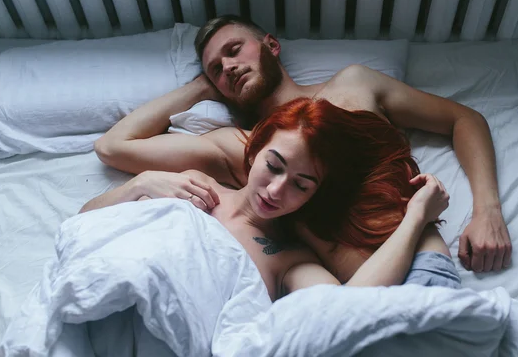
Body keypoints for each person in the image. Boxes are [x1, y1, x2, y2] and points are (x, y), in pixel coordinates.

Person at [94, 14, 511, 273]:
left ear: (271, 45)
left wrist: (487, 211)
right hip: (350, 297)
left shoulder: (355, 86)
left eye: (235, 50)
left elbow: (464, 119)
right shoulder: (238, 146)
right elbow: (114, 146)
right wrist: (199, 89)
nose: (229, 68)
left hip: (422, 260)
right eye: (217, 69)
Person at [82, 98, 457, 300]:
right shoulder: (194, 182)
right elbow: (82, 224)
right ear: (256, 151)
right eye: (274, 165)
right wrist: (139, 185)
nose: (276, 191)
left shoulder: (289, 260)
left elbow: (348, 308)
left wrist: (416, 216)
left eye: (301, 185)